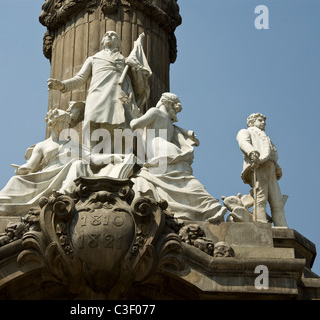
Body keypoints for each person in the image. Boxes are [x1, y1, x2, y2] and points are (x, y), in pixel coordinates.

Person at [0, 109, 91, 217]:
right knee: (15, 180)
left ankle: (63, 193)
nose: (66, 125)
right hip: (46, 176)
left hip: (65, 175)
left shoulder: (76, 146)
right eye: (63, 122)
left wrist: (110, 157)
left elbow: (93, 158)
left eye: (67, 123)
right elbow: (30, 166)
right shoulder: (42, 145)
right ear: (53, 124)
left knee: (78, 163)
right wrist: (22, 169)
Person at [130, 93, 227, 223]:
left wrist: (130, 111)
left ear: (165, 102)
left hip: (160, 152)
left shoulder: (155, 112)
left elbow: (133, 125)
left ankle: (208, 207)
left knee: (179, 181)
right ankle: (210, 206)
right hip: (170, 150)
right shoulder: (169, 123)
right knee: (183, 180)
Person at [47, 31, 151, 148]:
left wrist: (137, 67)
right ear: (102, 42)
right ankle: (90, 157)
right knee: (91, 127)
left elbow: (139, 87)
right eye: (106, 35)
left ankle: (116, 160)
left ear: (119, 44)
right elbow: (80, 78)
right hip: (97, 96)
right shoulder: (93, 59)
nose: (109, 36)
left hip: (116, 98)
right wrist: (61, 85)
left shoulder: (125, 60)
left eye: (113, 35)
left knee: (118, 132)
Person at [236, 113, 287, 226]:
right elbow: (243, 143)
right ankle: (260, 222)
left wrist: (276, 166)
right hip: (258, 165)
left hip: (271, 168)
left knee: (277, 200)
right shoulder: (245, 131)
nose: (263, 123)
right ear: (252, 121)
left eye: (264, 121)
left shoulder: (265, 137)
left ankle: (281, 225)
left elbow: (271, 152)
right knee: (261, 196)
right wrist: (252, 152)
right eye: (260, 120)